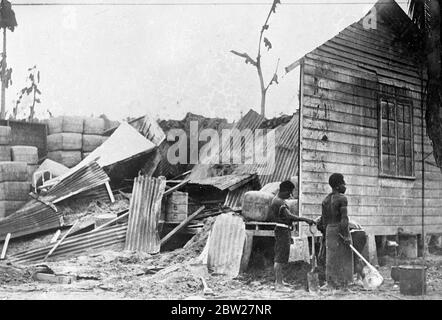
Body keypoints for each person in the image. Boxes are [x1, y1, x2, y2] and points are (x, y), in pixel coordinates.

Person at [271, 180, 316, 292]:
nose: (290, 195)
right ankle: (278, 284)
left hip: (284, 230)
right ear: (284, 190)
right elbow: (289, 216)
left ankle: (280, 281)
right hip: (281, 230)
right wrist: (305, 219)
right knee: (280, 258)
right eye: (289, 192)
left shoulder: (280, 200)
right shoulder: (278, 202)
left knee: (282, 256)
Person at [319, 173, 354, 289]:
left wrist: (324, 236)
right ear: (338, 186)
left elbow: (323, 221)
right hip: (340, 227)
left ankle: (330, 283)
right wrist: (346, 236)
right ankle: (345, 283)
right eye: (343, 183)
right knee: (345, 255)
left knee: (331, 257)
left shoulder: (325, 200)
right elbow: (344, 219)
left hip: (329, 229)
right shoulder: (342, 198)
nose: (345, 185)